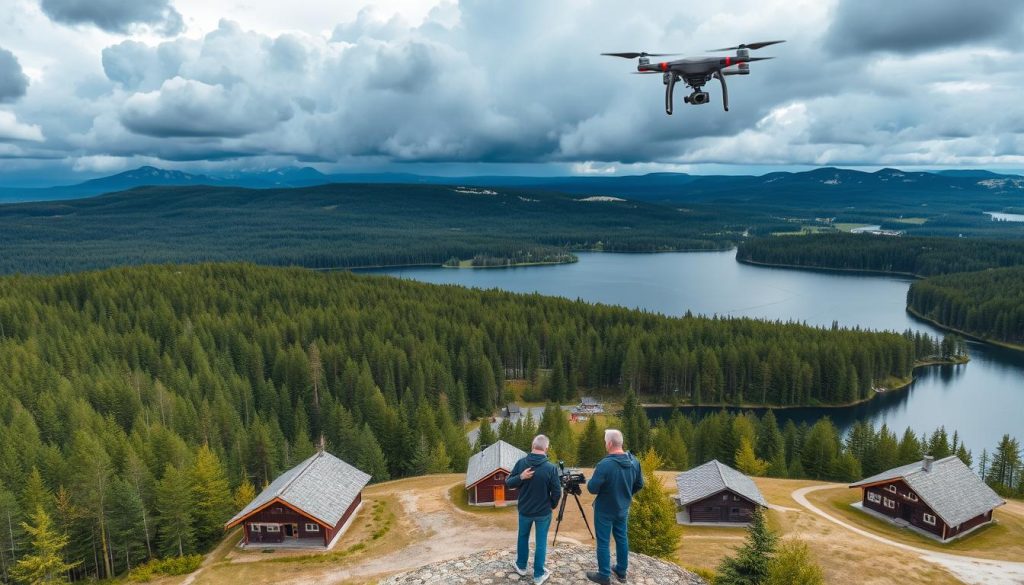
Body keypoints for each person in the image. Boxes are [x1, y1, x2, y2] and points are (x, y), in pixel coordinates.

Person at [585, 429, 643, 584]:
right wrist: (626, 494)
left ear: (609, 443)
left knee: (603, 541)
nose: (605, 444)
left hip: (604, 510)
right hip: (623, 508)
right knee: (622, 538)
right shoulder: (634, 462)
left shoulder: (604, 465)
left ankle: (604, 575)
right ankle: (621, 571)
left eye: (605, 442)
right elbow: (639, 484)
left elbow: (592, 489)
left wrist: (593, 479)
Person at [506, 434, 561, 584]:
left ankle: (521, 566)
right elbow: (557, 492)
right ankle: (538, 575)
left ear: (532, 446)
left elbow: (509, 483)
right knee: (541, 542)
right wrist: (551, 505)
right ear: (546, 448)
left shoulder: (521, 463)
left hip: (524, 510)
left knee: (522, 537)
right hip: (543, 512)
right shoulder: (551, 468)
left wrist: (520, 477)